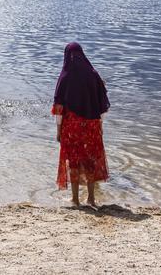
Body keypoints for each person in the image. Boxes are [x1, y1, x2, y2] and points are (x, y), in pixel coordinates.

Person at [52, 42, 110, 208]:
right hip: (92, 126)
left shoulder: (65, 76)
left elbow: (59, 108)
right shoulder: (93, 75)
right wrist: (100, 125)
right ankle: (91, 198)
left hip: (72, 126)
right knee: (90, 160)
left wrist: (58, 131)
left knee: (74, 161)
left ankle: (75, 199)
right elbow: (102, 104)